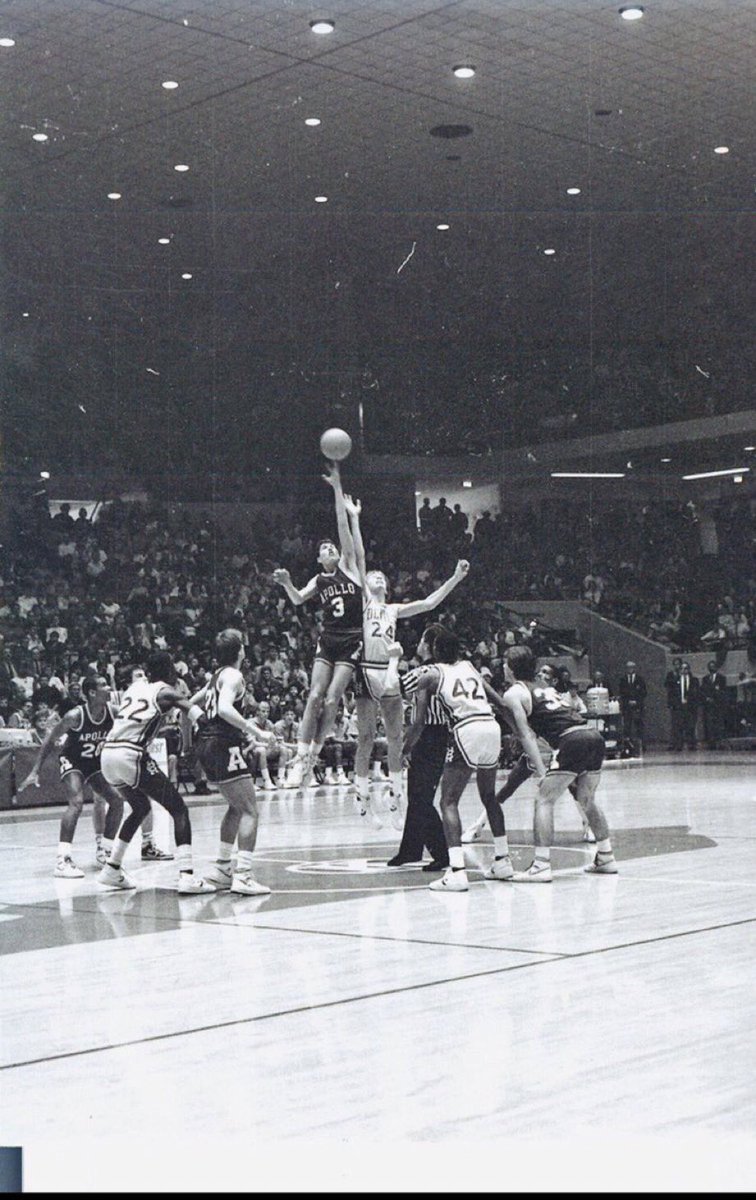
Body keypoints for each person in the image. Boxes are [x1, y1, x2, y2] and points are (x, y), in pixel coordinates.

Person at [343, 492, 470, 828]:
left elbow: (429, 603)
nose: (378, 578)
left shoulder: (393, 610)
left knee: (396, 737)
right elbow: (357, 558)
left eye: (382, 578)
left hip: (389, 673)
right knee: (367, 737)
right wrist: (355, 518)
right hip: (367, 672)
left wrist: (455, 578)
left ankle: (397, 799)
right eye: (374, 577)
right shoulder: (365, 602)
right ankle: (361, 795)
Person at [272, 461, 363, 788]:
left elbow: (342, 524)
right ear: (319, 559)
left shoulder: (350, 568)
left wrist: (337, 487)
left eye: (333, 547)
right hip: (329, 639)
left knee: (331, 699)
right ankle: (301, 758)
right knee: (313, 698)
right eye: (325, 548)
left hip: (352, 640)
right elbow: (297, 599)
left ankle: (314, 755)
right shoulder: (319, 579)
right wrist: (286, 582)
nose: (331, 548)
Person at [401, 629, 512, 893]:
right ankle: (503, 859)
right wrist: (521, 733)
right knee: (489, 796)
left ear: (436, 650)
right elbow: (500, 703)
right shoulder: (470, 668)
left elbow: (416, 720)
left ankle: (457, 872)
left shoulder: (431, 675)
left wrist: (405, 749)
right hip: (491, 726)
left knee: (448, 801)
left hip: (466, 729)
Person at [98, 651, 215, 893]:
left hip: (108, 754)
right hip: (131, 754)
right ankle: (187, 876)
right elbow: (197, 716)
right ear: (170, 671)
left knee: (140, 807)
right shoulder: (167, 691)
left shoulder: (135, 687)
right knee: (179, 809)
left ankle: (112, 868)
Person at [501, 645, 618, 883]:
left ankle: (541, 865)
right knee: (586, 800)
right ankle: (606, 856)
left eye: (505, 662)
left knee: (544, 800)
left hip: (571, 739)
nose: (502, 666)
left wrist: (542, 771)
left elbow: (526, 736)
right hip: (592, 735)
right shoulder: (545, 687)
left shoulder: (514, 693)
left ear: (510, 668)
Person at [462, 663, 596, 845]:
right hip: (537, 749)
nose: (541, 674)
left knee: (574, 790)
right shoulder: (530, 693)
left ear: (555, 680)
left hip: (558, 749)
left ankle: (588, 826)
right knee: (508, 787)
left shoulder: (558, 697)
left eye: (546, 672)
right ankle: (478, 826)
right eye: (540, 671)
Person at [191, 629, 275, 895]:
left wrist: (188, 736)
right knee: (251, 809)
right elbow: (225, 709)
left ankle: (223, 869)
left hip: (207, 743)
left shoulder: (215, 676)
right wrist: (257, 731)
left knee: (236, 807)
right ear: (240, 651)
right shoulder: (234, 675)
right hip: (223, 744)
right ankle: (244, 875)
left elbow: (191, 703)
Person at [17, 674, 125, 877]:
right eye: (104, 685)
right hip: (72, 760)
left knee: (117, 800)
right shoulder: (75, 716)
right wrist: (35, 770)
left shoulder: (114, 713)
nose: (109, 689)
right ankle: (62, 860)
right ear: (92, 693)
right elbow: (50, 740)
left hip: (94, 762)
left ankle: (105, 851)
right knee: (76, 802)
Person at [383, 624, 450, 872]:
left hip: (430, 736)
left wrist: (392, 660)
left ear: (430, 645)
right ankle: (410, 849)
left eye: (422, 640)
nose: (419, 644)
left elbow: (393, 687)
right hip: (439, 735)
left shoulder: (426, 672)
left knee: (422, 798)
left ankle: (442, 852)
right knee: (417, 795)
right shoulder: (447, 669)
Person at [668, 661, 701, 751]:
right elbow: (671, 694)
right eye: (682, 668)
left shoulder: (694, 680)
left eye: (686, 668)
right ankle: (679, 745)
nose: (684, 670)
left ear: (689, 670)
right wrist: (672, 704)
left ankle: (691, 745)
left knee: (690, 726)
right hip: (679, 706)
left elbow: (697, 694)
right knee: (679, 726)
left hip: (690, 707)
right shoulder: (675, 681)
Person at [618, 660, 647, 757]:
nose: (630, 669)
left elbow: (643, 692)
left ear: (635, 668)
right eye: (628, 667)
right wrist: (627, 702)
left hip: (638, 706)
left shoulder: (640, 679)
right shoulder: (622, 680)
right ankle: (628, 745)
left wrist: (637, 701)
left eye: (632, 667)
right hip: (627, 706)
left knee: (639, 726)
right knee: (627, 727)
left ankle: (641, 745)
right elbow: (622, 693)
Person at [700, 660, 729, 749]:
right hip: (708, 706)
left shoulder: (722, 678)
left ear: (716, 667)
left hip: (718, 705)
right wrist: (706, 698)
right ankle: (711, 743)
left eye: (713, 666)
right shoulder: (705, 678)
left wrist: (715, 698)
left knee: (719, 724)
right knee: (710, 724)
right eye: (710, 666)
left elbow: (723, 691)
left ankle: (720, 743)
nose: (711, 668)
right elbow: (703, 691)